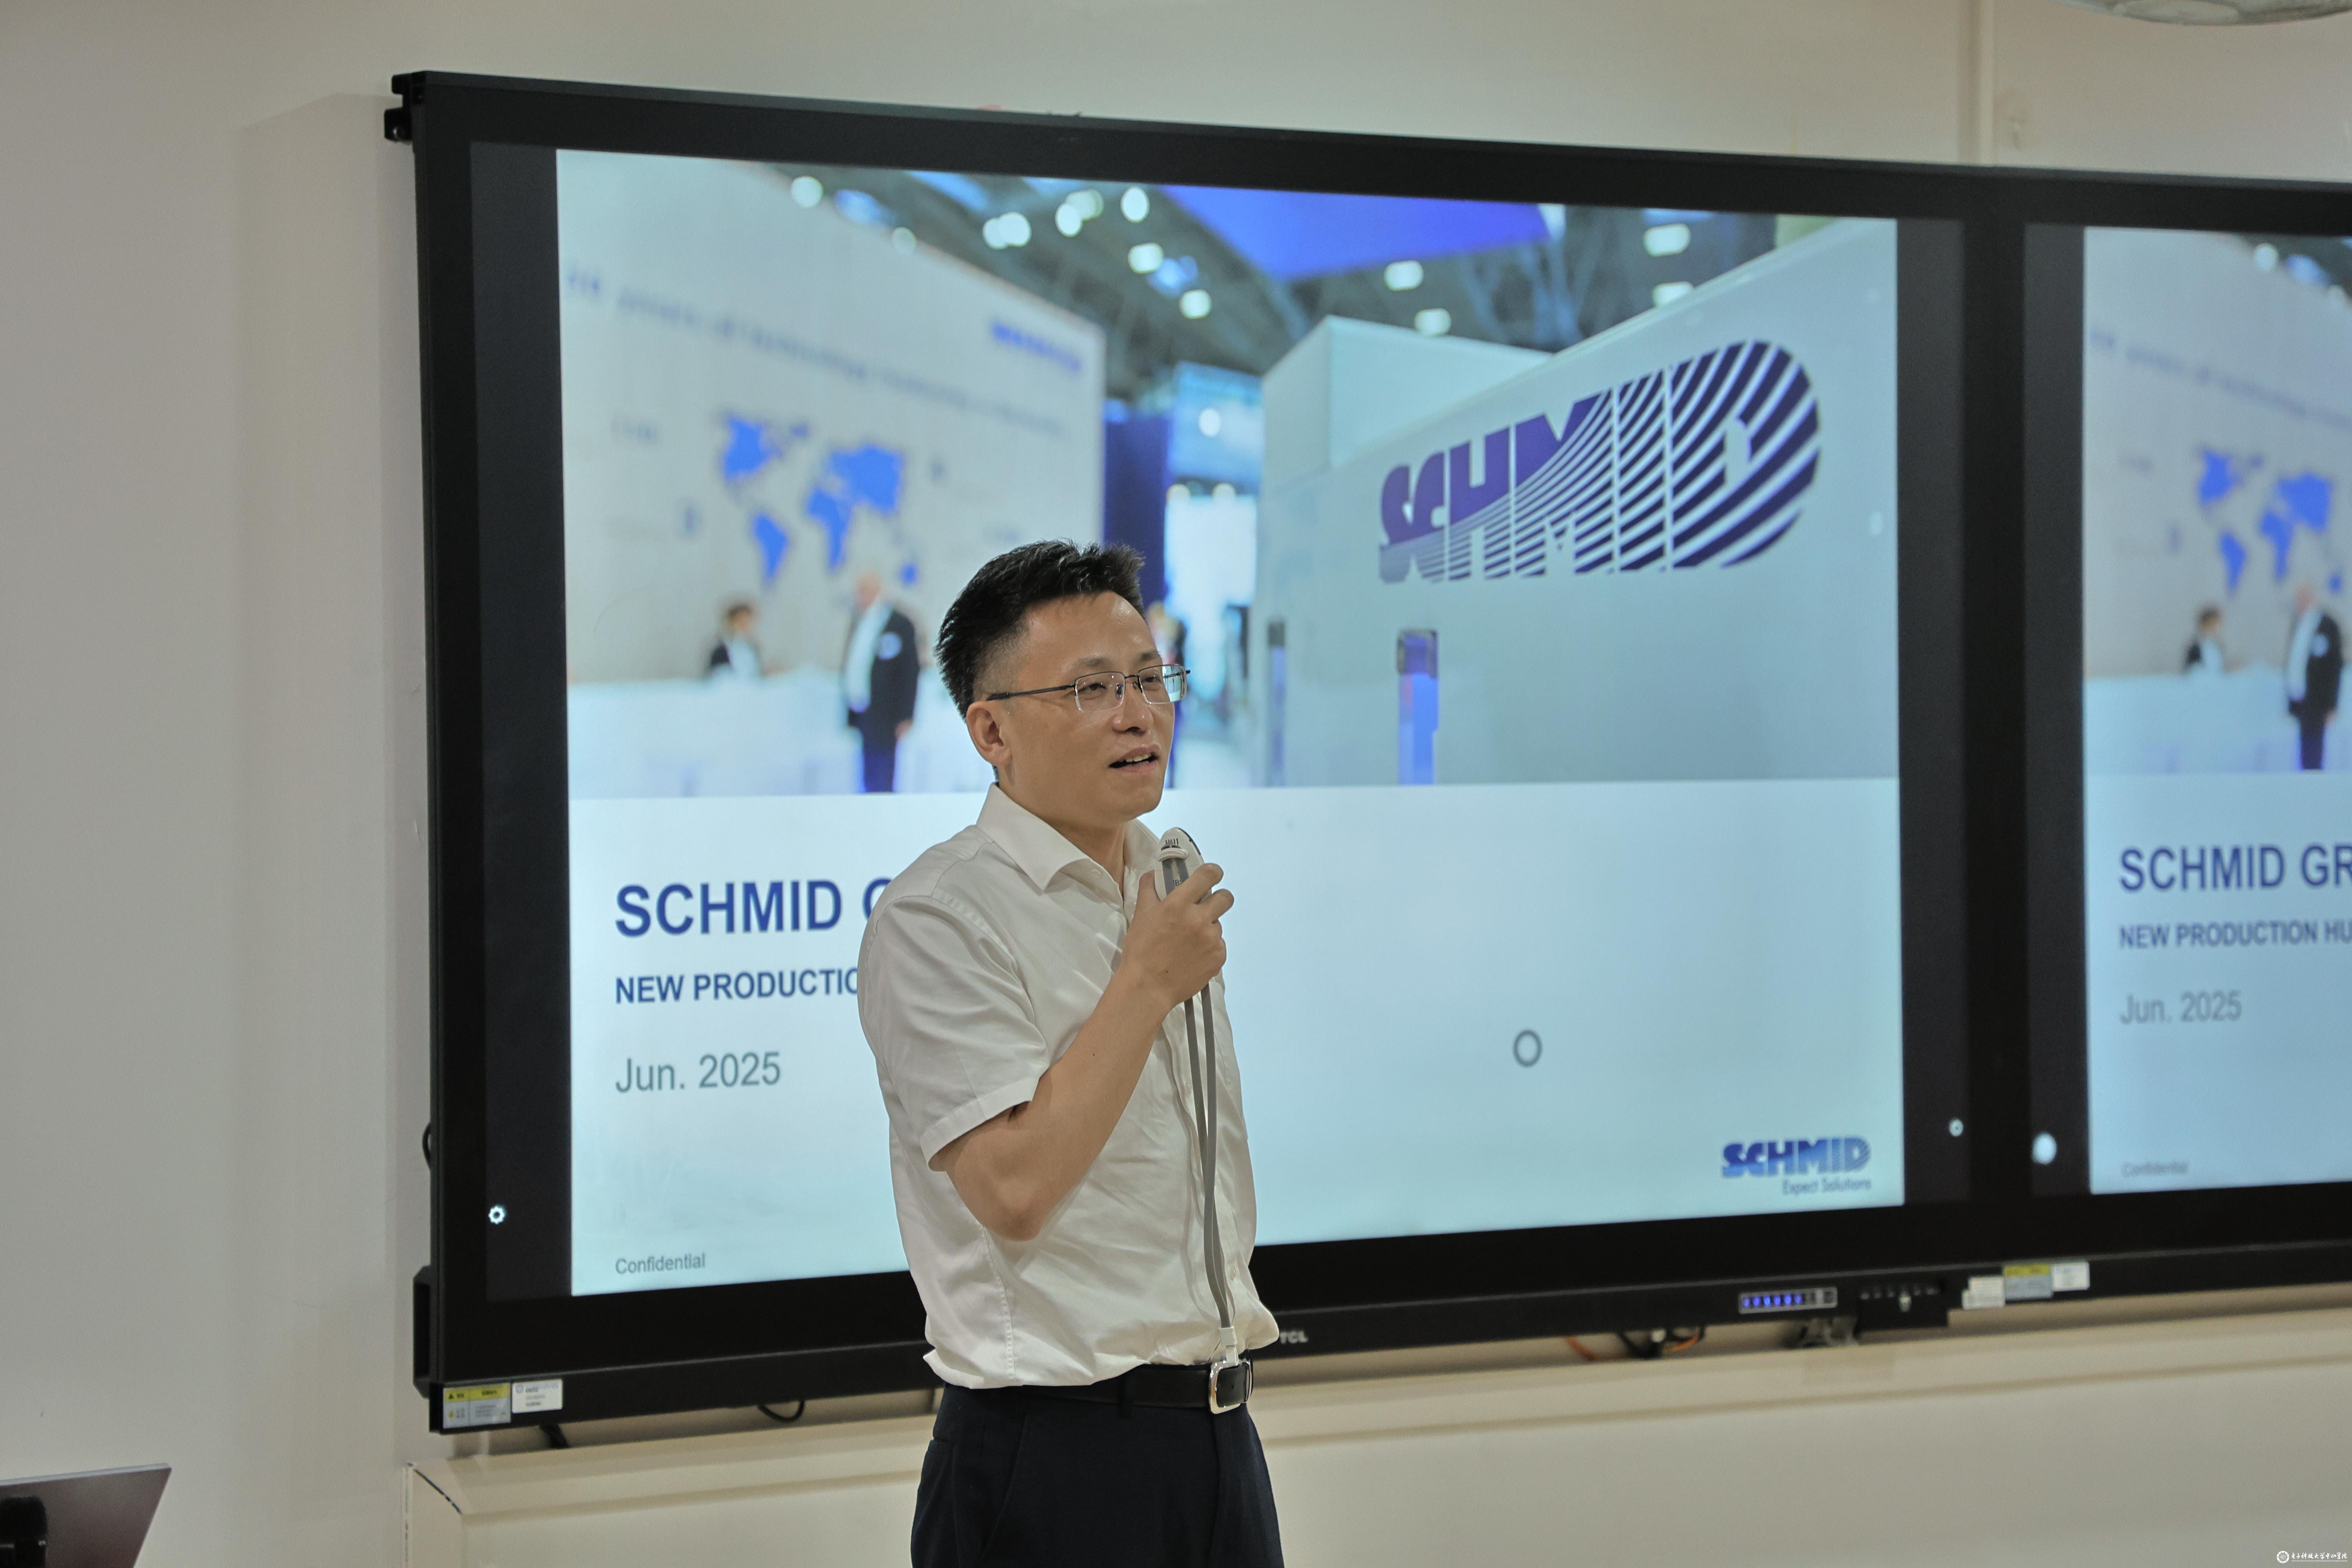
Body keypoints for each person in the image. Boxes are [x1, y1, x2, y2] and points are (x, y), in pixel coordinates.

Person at [857, 541, 1279, 1568]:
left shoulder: (1160, 875)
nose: (1139, 714)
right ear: (991, 731)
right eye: (1093, 689)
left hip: (1217, 1433)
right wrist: (1145, 981)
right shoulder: (938, 914)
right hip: (1056, 1453)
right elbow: (1013, 1187)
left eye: (1150, 678)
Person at [844, 570, 920, 792]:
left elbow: (909, 671)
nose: (859, 596)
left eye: (864, 591)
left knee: (883, 768)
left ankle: (882, 805)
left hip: (887, 712)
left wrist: (907, 714)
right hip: (863, 708)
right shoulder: (860, 622)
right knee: (868, 767)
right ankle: (869, 804)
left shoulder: (898, 624)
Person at [2284, 583, 2342, 771]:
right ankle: (2306, 779)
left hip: (2319, 699)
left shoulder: (2326, 626)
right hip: (2301, 698)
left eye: (2304, 598)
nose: (2300, 603)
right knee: (2305, 745)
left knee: (2315, 745)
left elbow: (2334, 667)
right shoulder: (2298, 624)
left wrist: (2332, 704)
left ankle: (2314, 781)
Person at [706, 599, 763, 679]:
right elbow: (718, 677)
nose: (745, 625)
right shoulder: (721, 651)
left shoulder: (752, 648)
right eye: (741, 621)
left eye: (747, 622)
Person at [2182, 606, 2225, 677]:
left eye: (2217, 624)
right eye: (2212, 623)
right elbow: (2191, 672)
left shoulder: (2217, 646)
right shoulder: (2196, 648)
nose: (2215, 627)